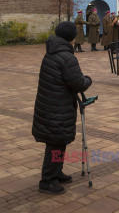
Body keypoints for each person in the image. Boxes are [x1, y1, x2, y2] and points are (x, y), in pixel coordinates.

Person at [32, 21, 92, 195]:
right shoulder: (67, 57)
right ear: (72, 37)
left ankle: (56, 173)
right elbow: (78, 83)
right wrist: (88, 79)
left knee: (58, 141)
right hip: (57, 108)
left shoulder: (52, 52)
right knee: (56, 143)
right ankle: (48, 181)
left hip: (50, 105)